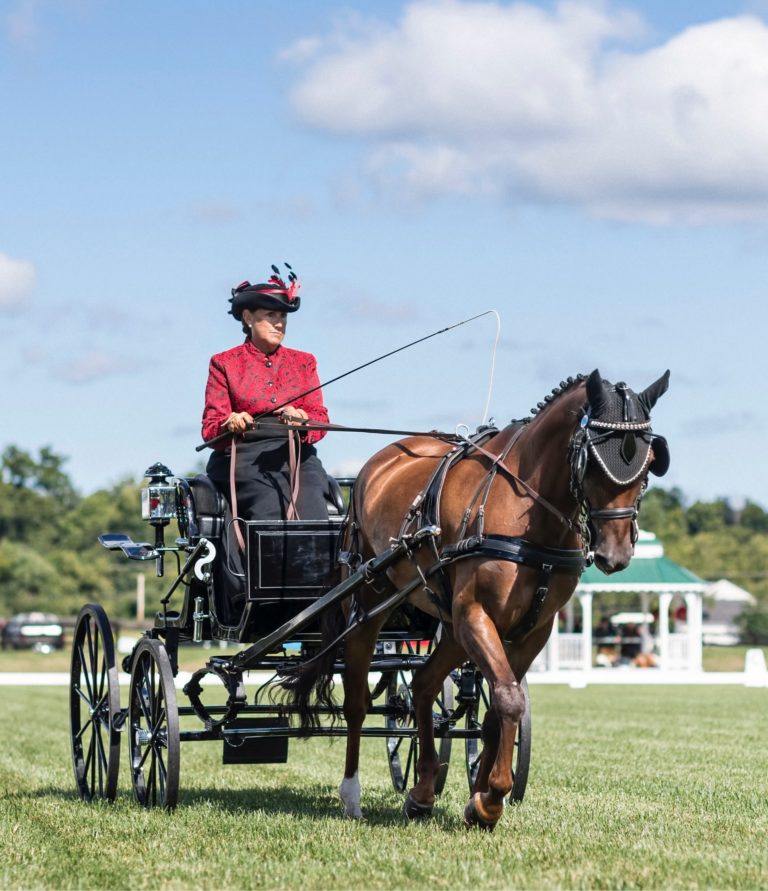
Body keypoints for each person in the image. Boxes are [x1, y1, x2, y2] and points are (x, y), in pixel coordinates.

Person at [201, 265, 330, 521]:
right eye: (271, 315)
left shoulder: (304, 362)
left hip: (296, 455)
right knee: (269, 502)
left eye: (283, 317)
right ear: (248, 318)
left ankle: (318, 560)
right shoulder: (224, 362)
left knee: (315, 506)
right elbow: (210, 429)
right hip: (244, 456)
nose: (279, 323)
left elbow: (321, 419)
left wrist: (303, 419)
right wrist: (231, 423)